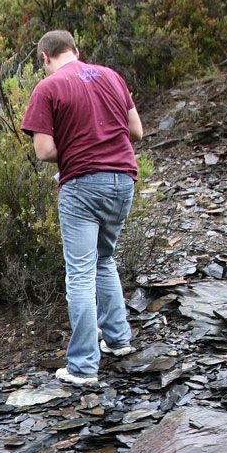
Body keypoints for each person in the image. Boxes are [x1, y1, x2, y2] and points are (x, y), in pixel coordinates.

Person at [21, 29, 143, 387]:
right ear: (76, 50)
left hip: (82, 186)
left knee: (79, 273)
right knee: (104, 259)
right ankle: (118, 340)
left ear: (45, 57)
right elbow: (136, 131)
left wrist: (75, 147)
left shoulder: (48, 88)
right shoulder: (111, 76)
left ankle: (83, 366)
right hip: (123, 181)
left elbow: (44, 151)